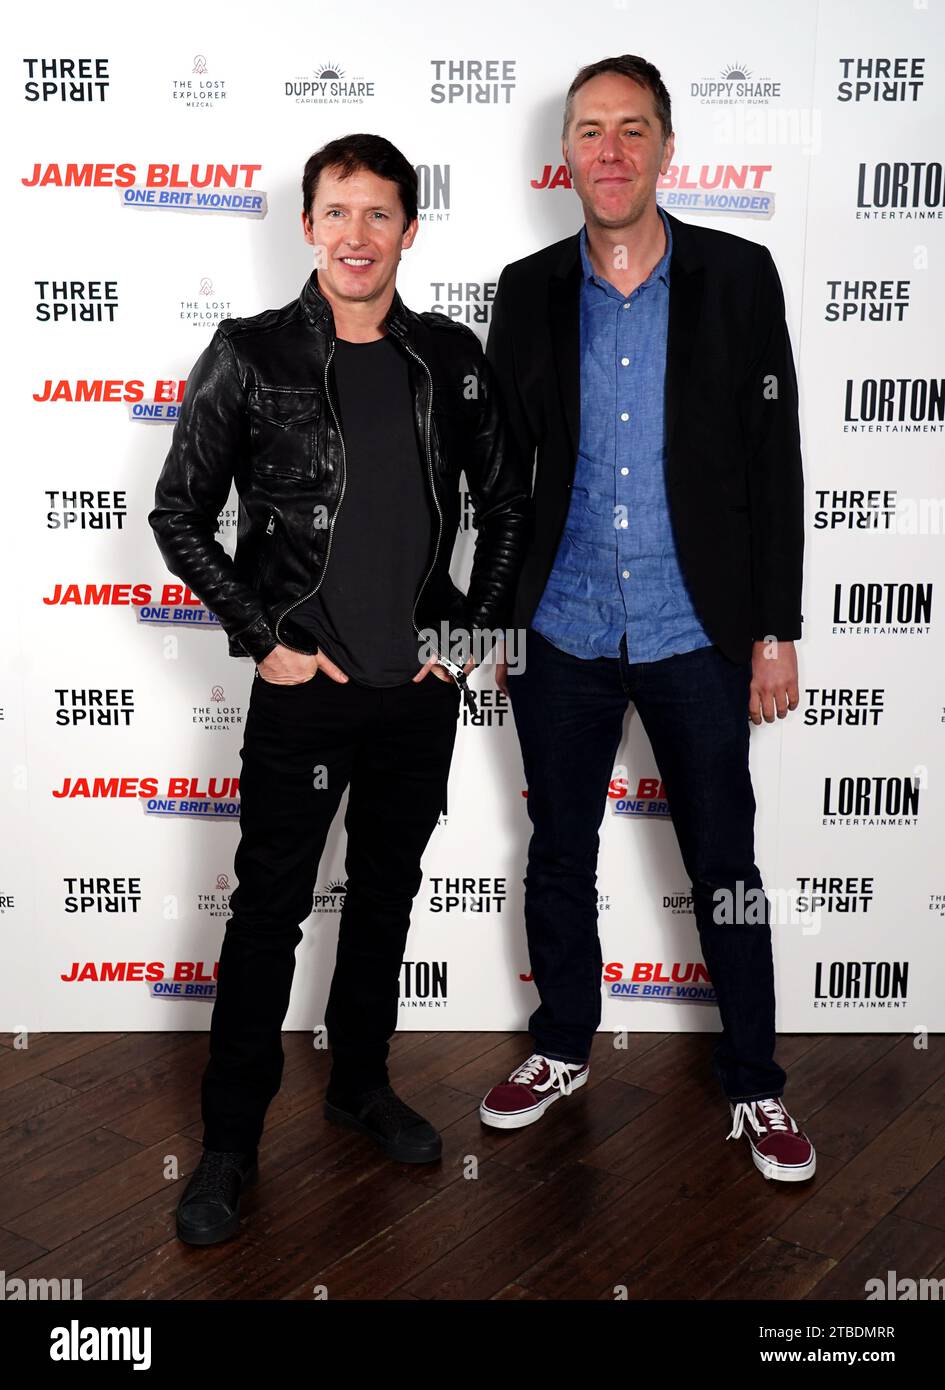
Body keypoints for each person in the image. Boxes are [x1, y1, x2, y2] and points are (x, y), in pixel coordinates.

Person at [148, 133, 530, 1244]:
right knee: (268, 912)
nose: (357, 236)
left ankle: (360, 1083)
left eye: (380, 216)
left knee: (385, 896)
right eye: (337, 213)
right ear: (307, 224)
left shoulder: (451, 357)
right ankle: (227, 1142)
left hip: (415, 689)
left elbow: (506, 502)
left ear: (410, 230)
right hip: (303, 685)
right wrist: (262, 635)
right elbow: (179, 512)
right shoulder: (251, 354)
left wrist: (465, 629)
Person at [481, 55, 814, 1183]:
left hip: (696, 628)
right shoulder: (525, 289)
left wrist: (776, 628)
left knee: (726, 859)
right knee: (558, 851)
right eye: (590, 131)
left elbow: (777, 462)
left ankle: (756, 1080)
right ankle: (563, 1044)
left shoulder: (738, 276)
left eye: (632, 130)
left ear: (668, 148)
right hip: (562, 626)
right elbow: (500, 480)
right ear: (565, 154)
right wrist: (489, 620)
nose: (610, 151)